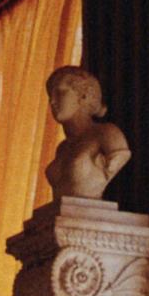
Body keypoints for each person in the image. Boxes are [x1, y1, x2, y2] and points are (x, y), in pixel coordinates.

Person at [44, 66, 131, 201]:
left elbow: (119, 157)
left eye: (60, 93)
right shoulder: (62, 148)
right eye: (50, 95)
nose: (52, 101)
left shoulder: (107, 134)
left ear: (83, 96)